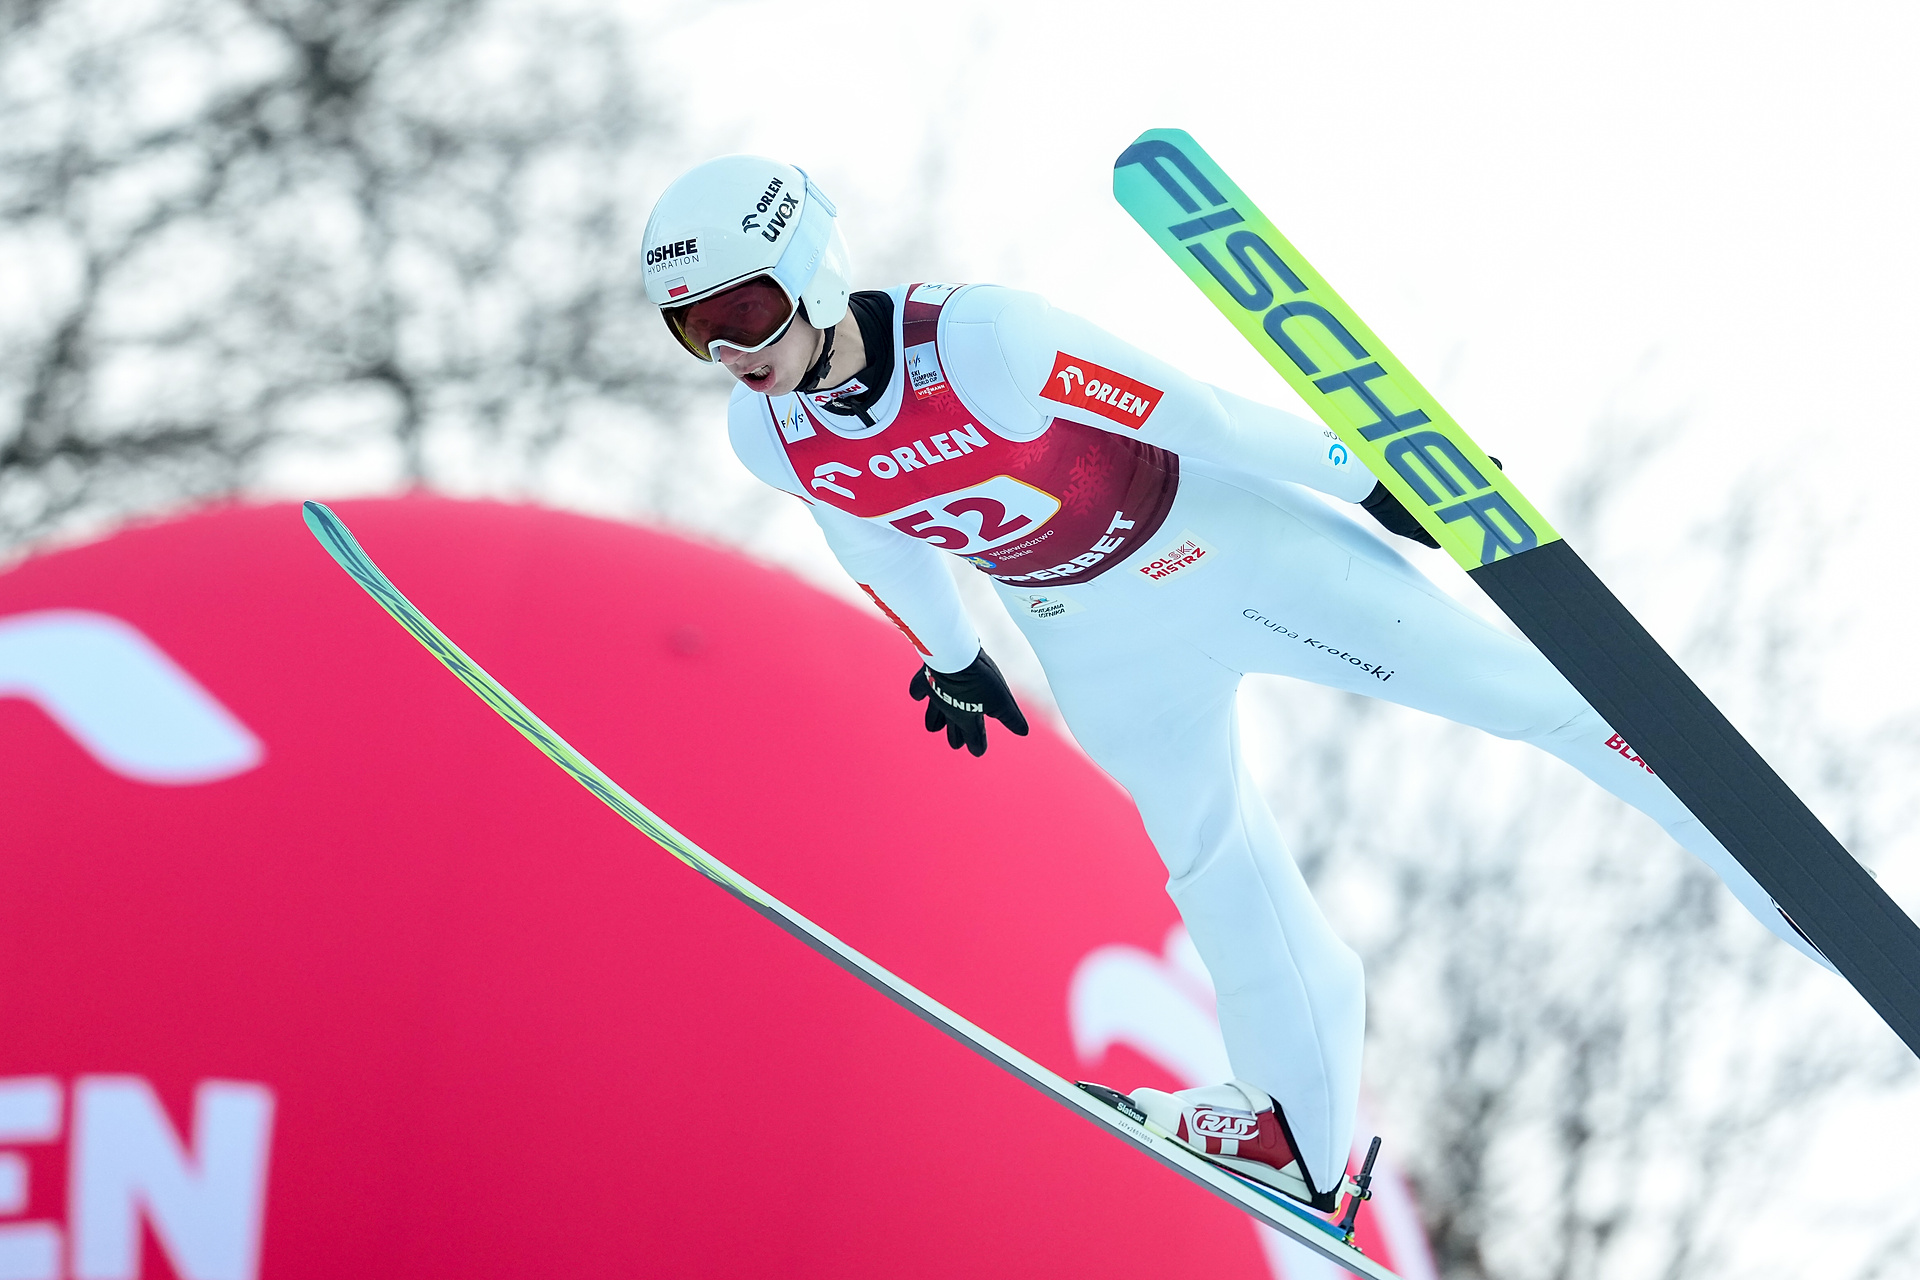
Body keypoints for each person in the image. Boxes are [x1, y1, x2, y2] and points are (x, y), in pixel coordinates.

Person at [640, 154, 1834, 1210]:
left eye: (743, 311)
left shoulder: (982, 340)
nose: (735, 357)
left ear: (806, 266)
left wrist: (1366, 476)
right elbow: (873, 537)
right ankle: (1294, 1132)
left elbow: (1191, 411)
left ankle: (1772, 866)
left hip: (1226, 552)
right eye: (696, 332)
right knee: (1213, 860)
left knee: (1531, 697)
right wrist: (951, 657)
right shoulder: (773, 438)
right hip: (1087, 630)